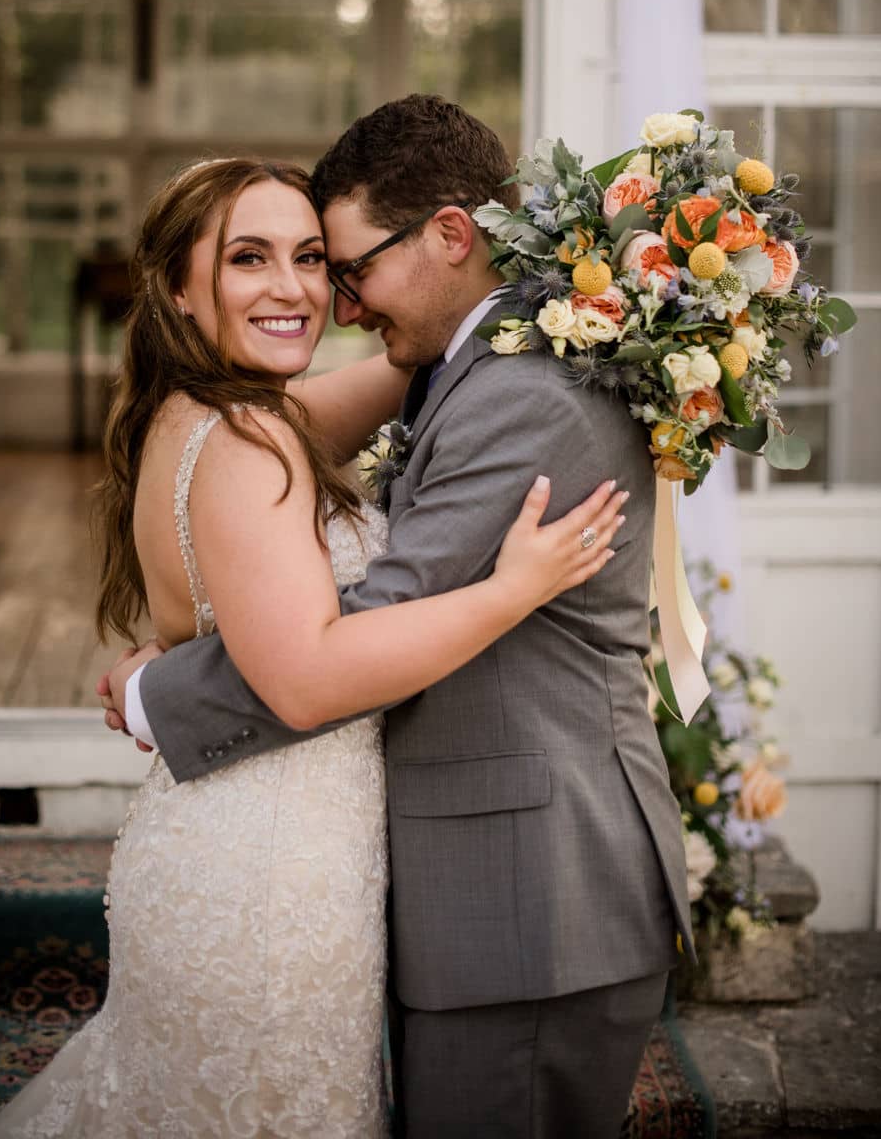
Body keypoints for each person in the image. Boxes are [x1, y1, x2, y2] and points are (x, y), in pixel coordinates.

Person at [0, 154, 625, 1139]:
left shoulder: (226, 414)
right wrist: (512, 590)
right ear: (181, 292)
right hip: (264, 880)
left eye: (314, 259)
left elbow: (406, 362)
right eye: (249, 259)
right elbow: (307, 680)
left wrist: (500, 303)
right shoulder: (244, 438)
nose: (294, 289)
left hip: (265, 843)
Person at [107, 98, 695, 1139]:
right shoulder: (268, 417)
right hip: (347, 874)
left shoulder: (520, 390)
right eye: (257, 260)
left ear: (452, 236)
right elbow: (322, 638)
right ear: (180, 291)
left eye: (336, 267)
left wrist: (161, 694)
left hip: (529, 898)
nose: (322, 298)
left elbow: (360, 628)